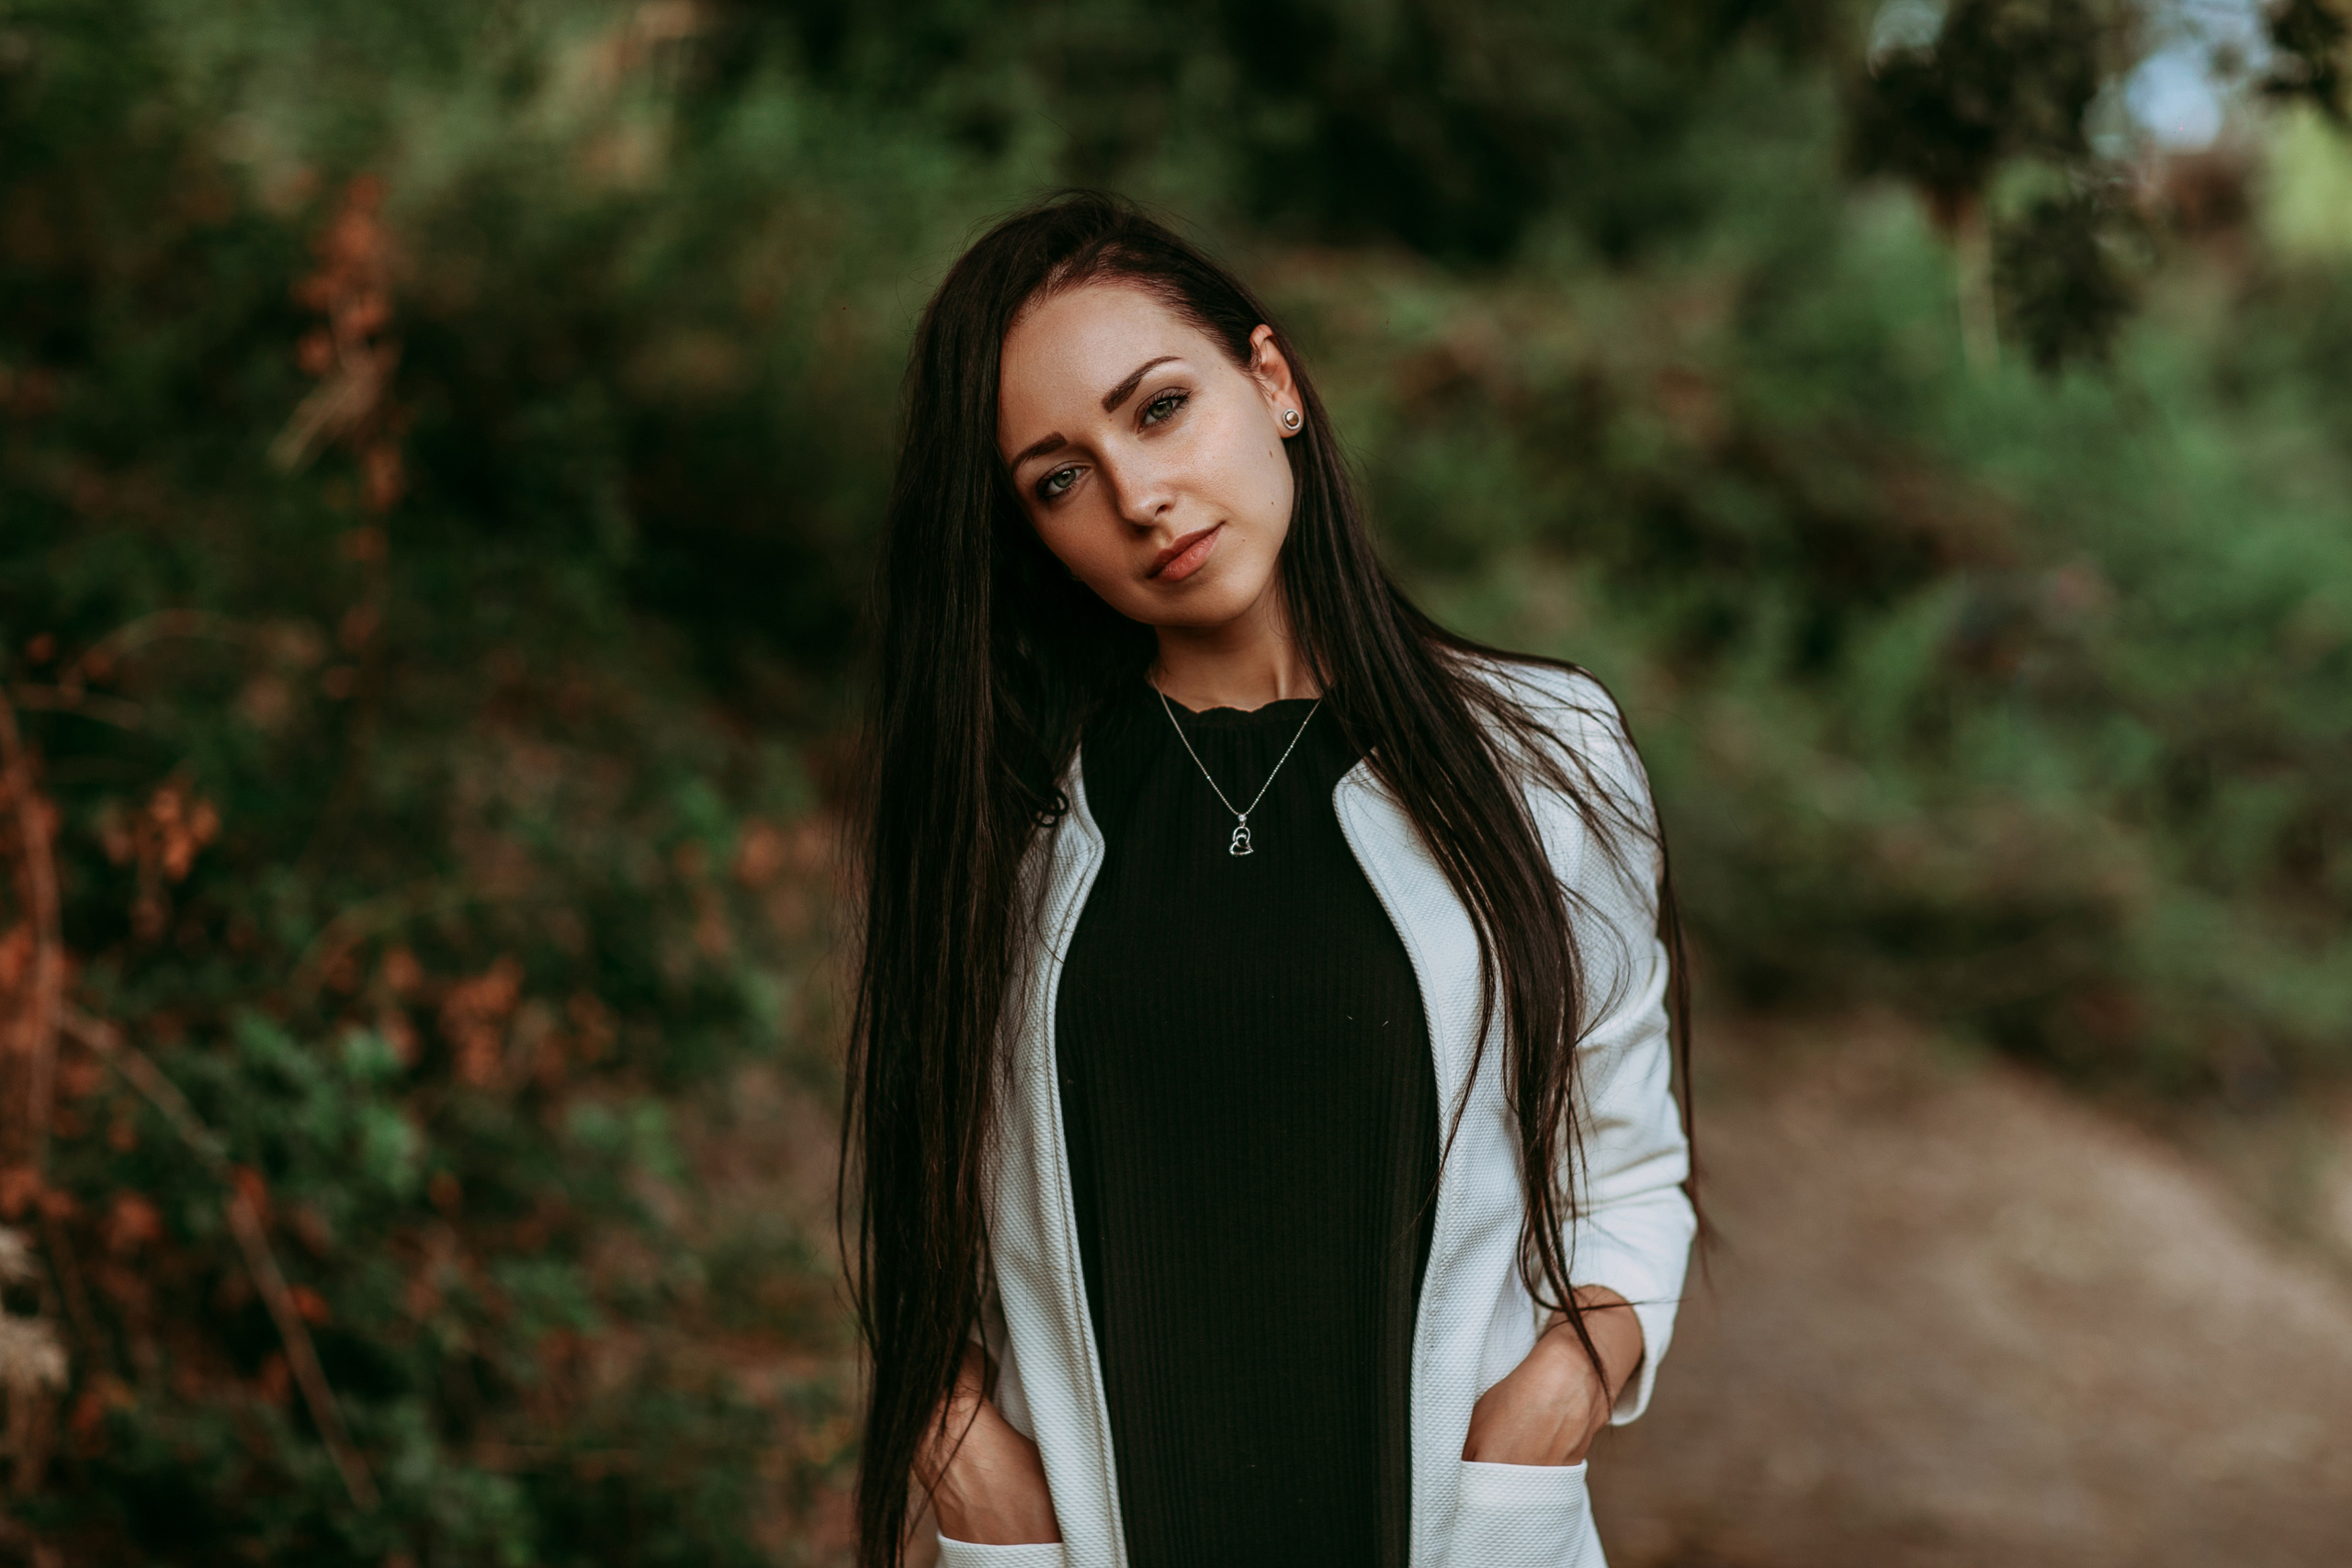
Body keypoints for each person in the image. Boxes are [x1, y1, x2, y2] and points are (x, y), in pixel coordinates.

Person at [843, 191, 1696, 1568]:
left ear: (1273, 382)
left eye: (1159, 408)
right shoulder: (1000, 816)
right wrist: (957, 1445)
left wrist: (1554, 1401)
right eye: (1057, 478)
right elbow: (925, 1182)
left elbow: (1629, 1156)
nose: (1137, 496)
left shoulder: (1542, 753)